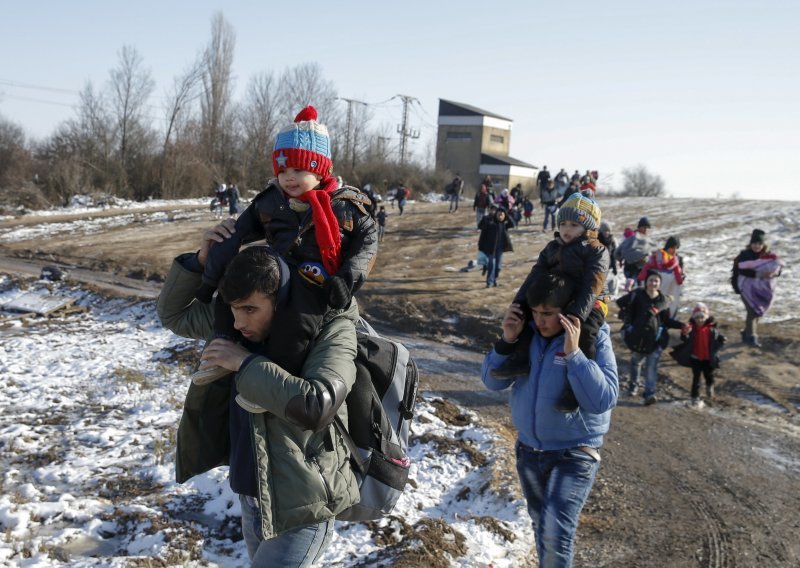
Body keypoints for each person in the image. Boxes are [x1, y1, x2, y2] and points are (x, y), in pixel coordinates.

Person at [157, 227, 361, 566]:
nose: (238, 322)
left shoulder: (332, 328)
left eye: (250, 309)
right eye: (233, 308)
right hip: (255, 498)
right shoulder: (234, 317)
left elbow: (317, 404)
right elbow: (173, 315)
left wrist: (244, 362)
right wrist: (199, 261)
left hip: (304, 505)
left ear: (279, 300)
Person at [192, 106, 377, 389]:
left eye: (299, 169)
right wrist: (210, 280)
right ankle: (223, 344)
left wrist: (345, 282)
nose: (289, 177)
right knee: (235, 285)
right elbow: (236, 233)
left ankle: (274, 375)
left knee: (296, 316)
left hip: (320, 282)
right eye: (283, 170)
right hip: (276, 274)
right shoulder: (271, 201)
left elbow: (366, 248)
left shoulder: (347, 207)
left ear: (320, 170)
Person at [481, 273, 618, 567]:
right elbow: (491, 382)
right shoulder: (528, 333)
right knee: (542, 528)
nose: (540, 320)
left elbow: (603, 399)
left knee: (556, 533)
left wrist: (575, 355)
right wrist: (507, 341)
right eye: (536, 312)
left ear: (567, 311)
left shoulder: (595, 337)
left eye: (548, 314)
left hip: (575, 452)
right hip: (530, 451)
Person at [498, 194, 607, 412]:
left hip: (589, 302)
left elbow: (592, 284)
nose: (567, 229)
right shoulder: (552, 247)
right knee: (528, 315)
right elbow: (534, 276)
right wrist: (520, 302)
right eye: (563, 223)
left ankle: (574, 389)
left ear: (589, 228)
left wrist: (577, 314)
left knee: (584, 333)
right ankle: (519, 358)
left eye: (574, 225)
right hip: (556, 296)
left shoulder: (596, 250)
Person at [616, 270, 684, 405]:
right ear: (646, 282)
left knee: (651, 367)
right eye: (651, 280)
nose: (653, 283)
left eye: (656, 281)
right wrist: (627, 316)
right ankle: (633, 386)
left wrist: (682, 325)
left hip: (654, 340)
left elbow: (666, 321)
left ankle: (649, 394)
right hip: (636, 337)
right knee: (636, 362)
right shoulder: (637, 295)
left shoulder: (663, 301)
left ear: (659, 283)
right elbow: (620, 303)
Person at [731, 229, 783, 347]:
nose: (757, 246)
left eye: (760, 243)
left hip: (763, 290)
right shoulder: (744, 255)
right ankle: (752, 337)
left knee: (757, 312)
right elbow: (741, 270)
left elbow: (778, 269)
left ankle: (746, 332)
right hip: (746, 288)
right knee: (752, 312)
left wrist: (774, 274)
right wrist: (759, 275)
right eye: (755, 243)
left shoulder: (769, 256)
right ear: (751, 243)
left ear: (763, 244)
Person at [672, 303, 726, 405]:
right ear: (694, 318)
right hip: (695, 357)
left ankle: (709, 388)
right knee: (696, 377)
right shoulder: (691, 329)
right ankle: (695, 396)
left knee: (709, 376)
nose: (699, 320)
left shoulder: (711, 329)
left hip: (708, 358)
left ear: (706, 317)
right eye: (697, 318)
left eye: (702, 317)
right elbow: (685, 338)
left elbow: (717, 338)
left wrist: (722, 339)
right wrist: (684, 334)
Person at [637, 236, 684, 317]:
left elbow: (679, 274)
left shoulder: (677, 259)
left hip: (670, 288)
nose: (674, 250)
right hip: (655, 285)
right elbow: (647, 268)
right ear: (668, 247)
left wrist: (680, 280)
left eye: (676, 248)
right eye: (672, 247)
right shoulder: (658, 256)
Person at [614, 216, 657, 292]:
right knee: (637, 291)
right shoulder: (633, 238)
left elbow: (617, 253)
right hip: (633, 269)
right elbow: (618, 252)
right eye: (644, 227)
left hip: (639, 269)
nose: (646, 230)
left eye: (647, 228)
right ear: (640, 227)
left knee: (639, 290)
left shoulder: (644, 239)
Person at [478, 207, 513, 287]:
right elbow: (483, 235)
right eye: (498, 214)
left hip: (500, 249)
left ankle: (494, 280)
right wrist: (481, 246)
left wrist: (506, 212)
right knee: (492, 265)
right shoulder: (490, 223)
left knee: (498, 267)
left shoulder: (504, 225)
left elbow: (512, 224)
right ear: (495, 215)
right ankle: (489, 282)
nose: (500, 216)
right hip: (491, 249)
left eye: (502, 215)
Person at [598, 221, 620, 298]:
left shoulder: (612, 241)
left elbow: (613, 256)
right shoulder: (597, 240)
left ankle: (611, 299)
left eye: (608, 231)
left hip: (609, 267)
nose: (606, 233)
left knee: (614, 283)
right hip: (599, 267)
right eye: (604, 231)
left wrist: (615, 268)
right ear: (601, 231)